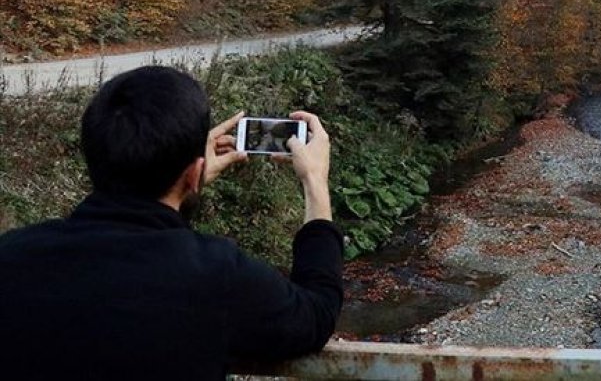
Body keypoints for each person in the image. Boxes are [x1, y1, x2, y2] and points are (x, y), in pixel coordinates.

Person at [0, 66, 343, 380]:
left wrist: (184, 180)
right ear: (195, 173)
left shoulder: (12, 256)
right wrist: (315, 182)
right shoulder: (215, 274)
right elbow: (316, 313)